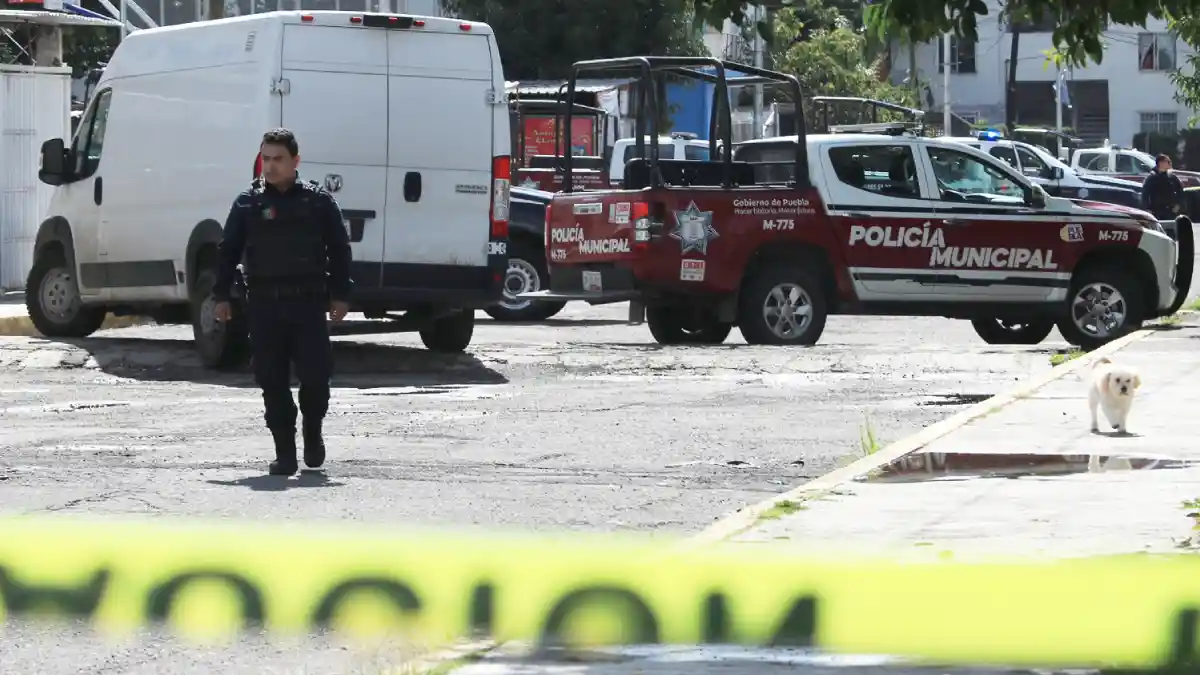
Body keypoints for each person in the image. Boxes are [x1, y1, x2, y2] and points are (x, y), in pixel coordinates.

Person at [212, 128, 354, 476]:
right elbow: (227, 251)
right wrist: (221, 296)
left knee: (316, 378)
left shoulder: (318, 202)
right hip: (263, 305)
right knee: (271, 381)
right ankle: (284, 452)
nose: (270, 166)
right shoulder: (248, 203)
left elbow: (339, 250)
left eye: (278, 159)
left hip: (306, 304)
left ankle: (313, 432)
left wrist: (341, 294)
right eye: (266, 159)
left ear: (295, 162)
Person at [1141, 154, 1184, 221]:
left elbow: (1180, 190)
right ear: (1160, 163)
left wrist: (1178, 205)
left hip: (1170, 211)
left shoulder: (1171, 176)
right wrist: (1147, 209)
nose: (1169, 164)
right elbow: (1145, 194)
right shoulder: (1152, 177)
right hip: (1156, 211)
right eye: (1167, 162)